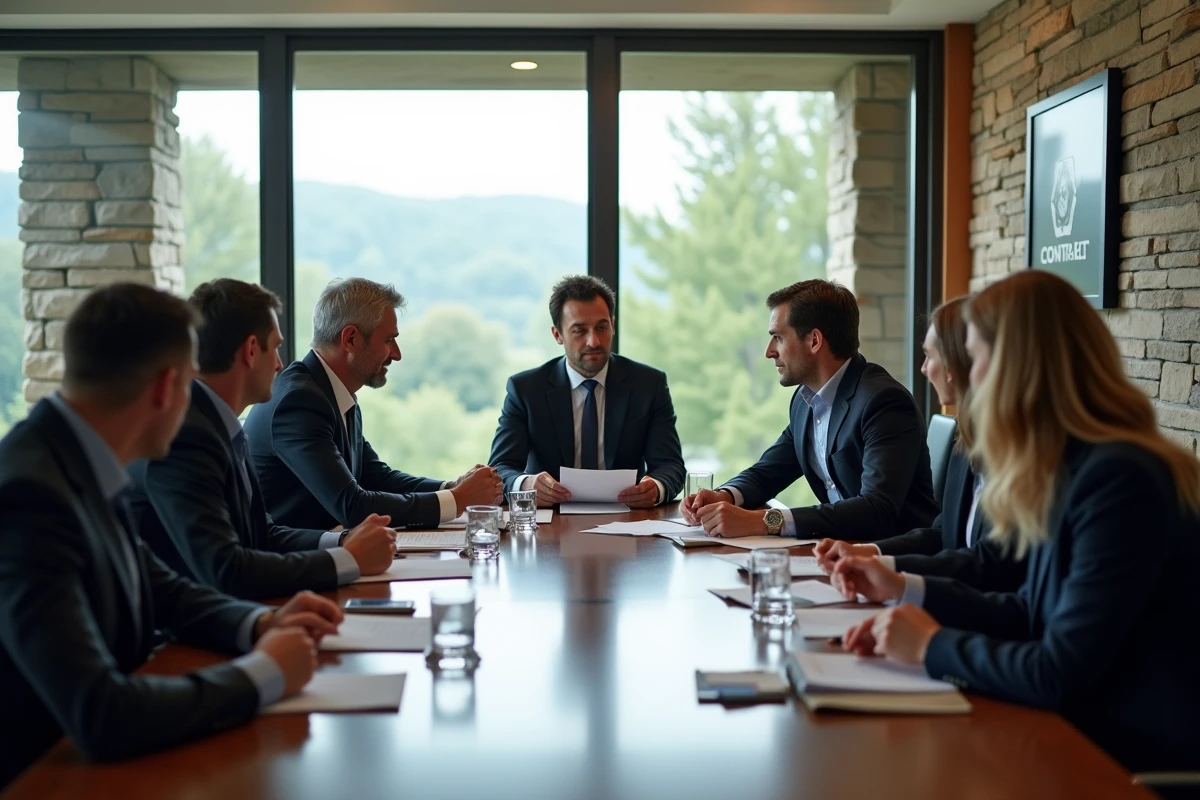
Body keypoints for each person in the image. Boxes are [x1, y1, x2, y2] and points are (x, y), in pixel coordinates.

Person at [833, 270, 1200, 774]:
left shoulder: (1119, 477)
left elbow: (1058, 671)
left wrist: (930, 643)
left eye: (977, 356)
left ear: (1017, 367)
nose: (970, 374)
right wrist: (905, 590)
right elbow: (1032, 610)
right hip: (1070, 731)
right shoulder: (1070, 464)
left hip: (1118, 761)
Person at [0, 284, 344, 788]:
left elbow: (156, 585)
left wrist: (258, 623)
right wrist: (261, 675)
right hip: (51, 778)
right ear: (166, 388)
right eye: (189, 384)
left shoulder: (73, 452)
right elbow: (100, 713)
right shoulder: (30, 494)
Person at [129, 279, 398, 600]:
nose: (280, 364)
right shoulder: (184, 436)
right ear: (252, 351)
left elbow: (261, 533)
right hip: (182, 637)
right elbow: (227, 570)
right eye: (276, 347)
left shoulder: (216, 423)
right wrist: (347, 559)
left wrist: (343, 543)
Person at [681, 279, 937, 540]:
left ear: (814, 341)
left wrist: (765, 521)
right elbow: (769, 472)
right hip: (839, 553)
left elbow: (876, 510)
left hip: (891, 562)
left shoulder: (883, 402)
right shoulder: (805, 400)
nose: (769, 352)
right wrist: (725, 496)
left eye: (778, 338)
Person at [244, 278, 502, 530]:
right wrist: (457, 501)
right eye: (388, 340)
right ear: (351, 339)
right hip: (294, 565)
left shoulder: (332, 392)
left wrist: (453, 487)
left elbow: (377, 478)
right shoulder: (300, 401)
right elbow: (352, 505)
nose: (397, 354)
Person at [489, 275, 685, 508]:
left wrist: (657, 487)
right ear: (557, 335)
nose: (594, 341)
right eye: (579, 330)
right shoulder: (526, 390)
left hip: (629, 520)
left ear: (613, 325)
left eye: (602, 327)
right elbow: (499, 470)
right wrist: (525, 485)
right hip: (549, 524)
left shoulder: (648, 384)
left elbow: (670, 466)